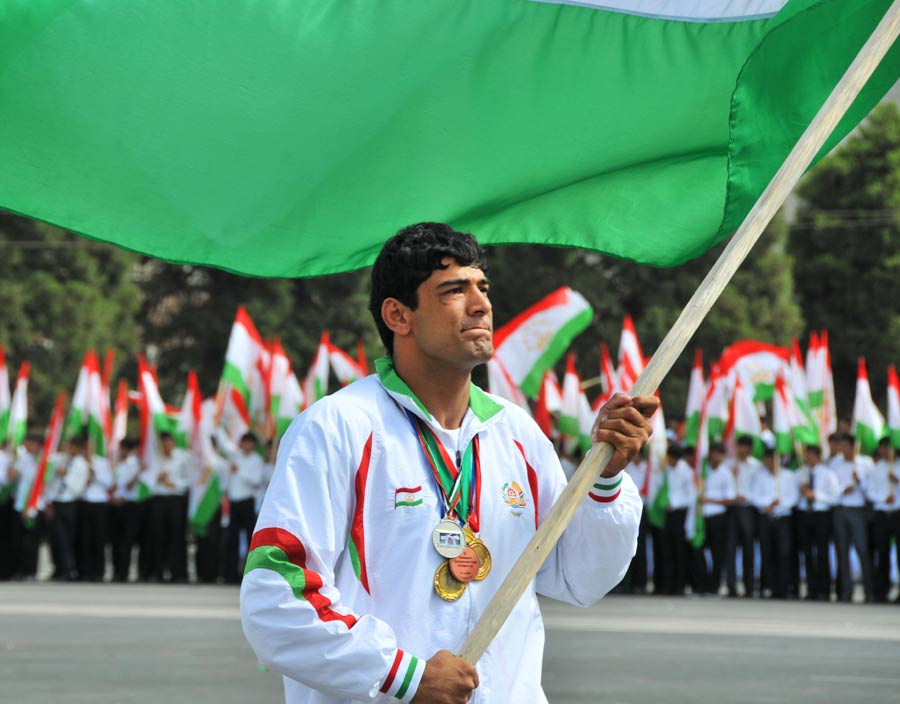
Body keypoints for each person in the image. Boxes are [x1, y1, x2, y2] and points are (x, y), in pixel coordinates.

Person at [240, 223, 656, 704]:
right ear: (398, 315)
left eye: (483, 288)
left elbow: (579, 577)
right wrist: (403, 676)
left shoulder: (516, 433)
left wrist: (604, 480)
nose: (481, 305)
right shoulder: (338, 427)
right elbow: (277, 598)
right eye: (453, 290)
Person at [830, 431, 875, 602]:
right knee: (842, 552)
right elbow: (832, 487)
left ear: (852, 446)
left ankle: (869, 592)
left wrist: (860, 481)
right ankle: (845, 592)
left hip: (858, 510)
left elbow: (871, 488)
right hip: (840, 509)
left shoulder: (865, 463)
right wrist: (843, 490)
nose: (841, 448)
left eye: (844, 445)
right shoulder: (835, 464)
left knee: (862, 550)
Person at [217, 430, 264, 583]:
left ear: (254, 445)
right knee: (233, 539)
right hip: (234, 502)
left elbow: (256, 480)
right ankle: (230, 573)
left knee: (251, 538)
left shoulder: (257, 460)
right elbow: (223, 444)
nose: (246, 446)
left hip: (247, 502)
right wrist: (217, 425)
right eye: (244, 442)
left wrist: (240, 471)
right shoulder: (235, 456)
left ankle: (250, 573)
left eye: (249, 443)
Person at [798, 445, 840, 601]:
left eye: (811, 455)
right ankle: (811, 588)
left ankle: (824, 589)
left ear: (818, 457)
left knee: (822, 553)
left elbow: (835, 498)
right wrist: (802, 490)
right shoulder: (801, 474)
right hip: (805, 515)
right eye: (806, 455)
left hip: (821, 515)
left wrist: (815, 495)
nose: (808, 458)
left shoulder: (828, 474)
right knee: (807, 554)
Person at [701, 442, 737, 596]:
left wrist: (709, 500)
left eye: (718, 454)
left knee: (717, 553)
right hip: (702, 518)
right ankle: (702, 583)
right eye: (713, 453)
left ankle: (714, 586)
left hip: (718, 517)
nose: (715, 457)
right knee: (698, 550)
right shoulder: (702, 470)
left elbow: (730, 499)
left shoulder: (726, 473)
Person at [866, 438, 899, 603]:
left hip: (898, 513)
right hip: (882, 513)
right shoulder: (876, 469)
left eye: (887, 448)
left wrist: (897, 482)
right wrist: (883, 498)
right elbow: (870, 492)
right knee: (882, 552)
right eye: (882, 448)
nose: (884, 451)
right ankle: (881, 591)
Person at [729, 435, 763, 597]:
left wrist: (747, 497)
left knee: (748, 548)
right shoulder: (730, 464)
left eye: (745, 446)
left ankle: (749, 587)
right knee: (730, 548)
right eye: (740, 446)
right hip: (732, 508)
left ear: (749, 448)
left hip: (748, 509)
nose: (742, 450)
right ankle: (731, 586)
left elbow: (759, 488)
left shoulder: (756, 466)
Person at [109, 438, 142, 582]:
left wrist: (123, 496)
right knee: (115, 541)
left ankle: (124, 572)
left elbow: (130, 486)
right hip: (115, 506)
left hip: (129, 506)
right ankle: (115, 572)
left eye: (121, 449)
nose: (119, 452)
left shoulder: (134, 464)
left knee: (127, 541)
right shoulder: (117, 464)